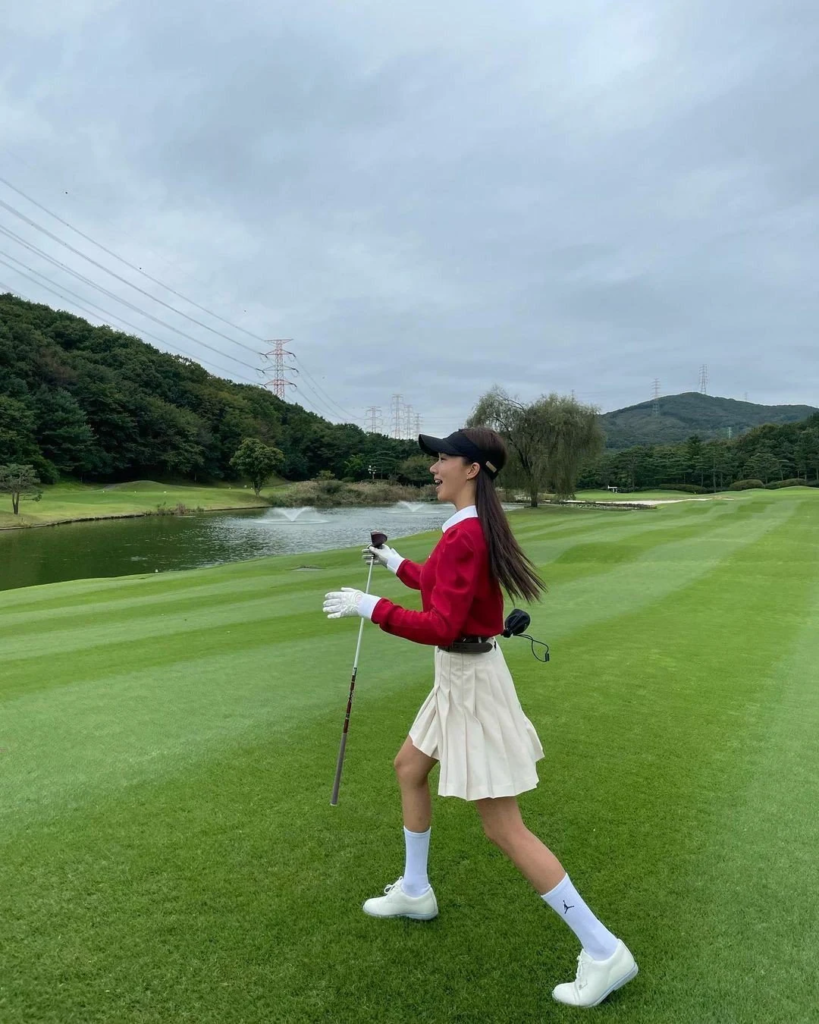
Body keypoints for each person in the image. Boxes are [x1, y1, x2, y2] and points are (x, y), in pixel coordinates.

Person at [323, 427, 638, 1008]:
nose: (435, 466)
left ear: (472, 469)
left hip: (470, 682)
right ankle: (416, 889)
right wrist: (395, 563)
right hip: (457, 677)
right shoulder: (464, 529)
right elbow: (443, 588)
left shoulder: (468, 534)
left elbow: (442, 625)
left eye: (444, 458)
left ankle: (603, 951)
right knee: (409, 767)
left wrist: (372, 608)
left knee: (503, 827)